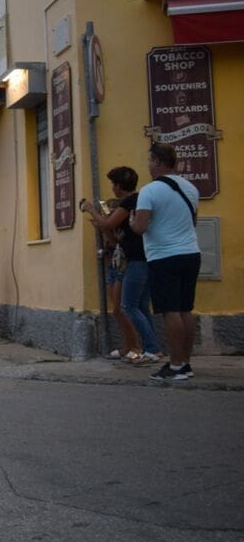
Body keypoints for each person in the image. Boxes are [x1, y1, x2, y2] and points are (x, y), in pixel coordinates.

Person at [130, 142, 200, 382]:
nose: (148, 165)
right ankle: (186, 362)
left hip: (164, 256)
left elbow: (139, 227)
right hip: (191, 253)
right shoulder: (190, 188)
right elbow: (194, 222)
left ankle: (176, 364)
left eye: (150, 160)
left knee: (170, 312)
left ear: (158, 162)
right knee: (185, 310)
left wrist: (131, 222)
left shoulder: (150, 191)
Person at [80, 167, 160, 363]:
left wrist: (91, 209)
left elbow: (108, 224)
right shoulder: (139, 199)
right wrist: (102, 222)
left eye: (113, 185)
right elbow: (113, 232)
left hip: (136, 259)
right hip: (142, 257)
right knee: (140, 306)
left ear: (118, 186)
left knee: (128, 306)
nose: (112, 189)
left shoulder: (130, 201)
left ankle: (151, 348)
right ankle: (150, 348)